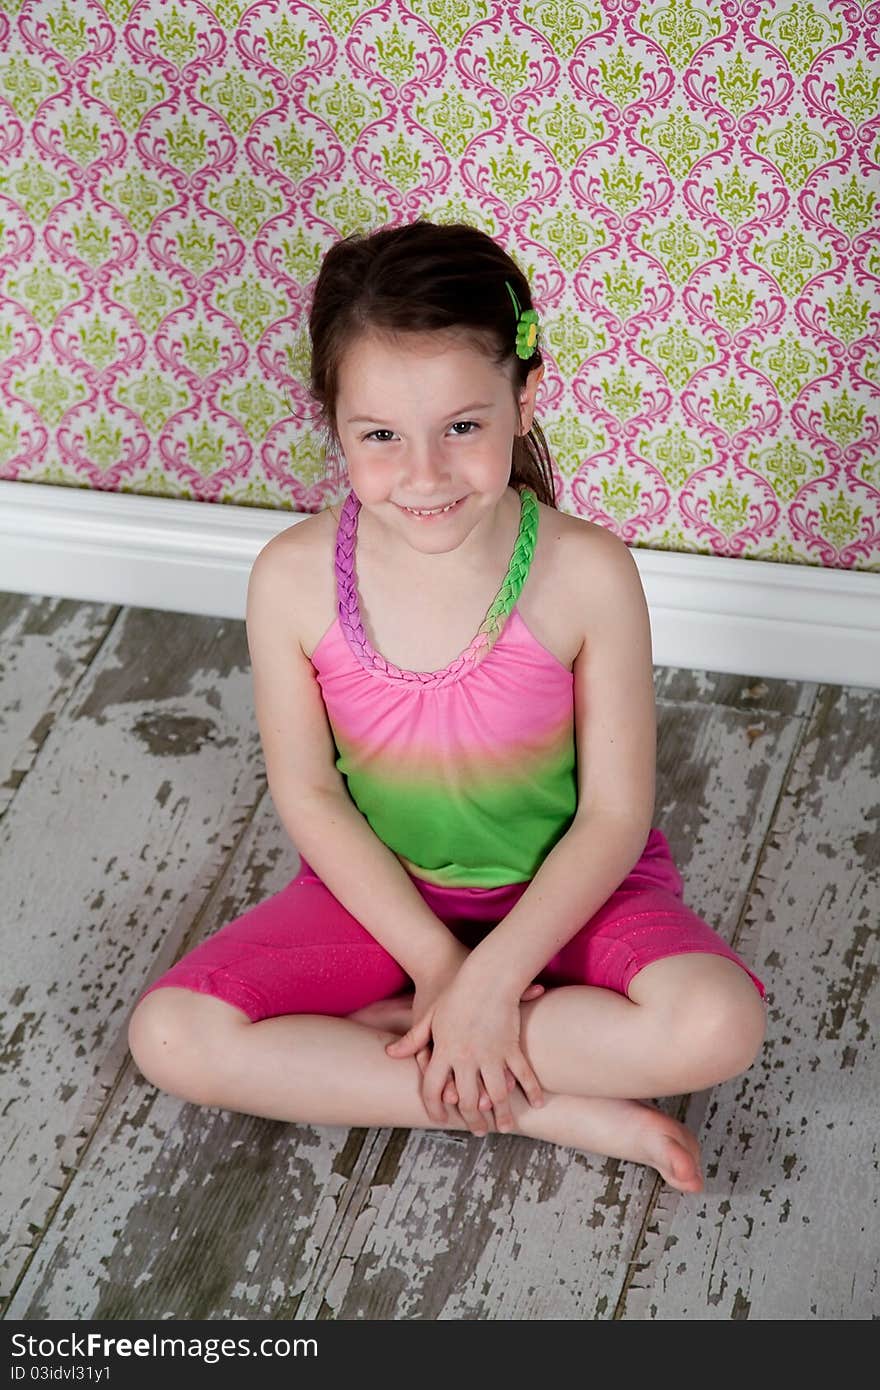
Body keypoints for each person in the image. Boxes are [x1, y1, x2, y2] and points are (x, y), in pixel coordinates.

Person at [128, 218, 766, 1194]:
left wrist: (497, 976)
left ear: (524, 395)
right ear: (332, 422)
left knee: (719, 1021)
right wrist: (437, 966)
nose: (422, 474)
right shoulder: (291, 579)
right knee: (171, 1034)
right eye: (379, 435)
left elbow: (612, 816)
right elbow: (309, 796)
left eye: (461, 426)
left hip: (575, 894)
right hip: (381, 900)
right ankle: (546, 1106)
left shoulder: (587, 572)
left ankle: (413, 1052)